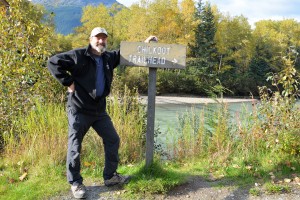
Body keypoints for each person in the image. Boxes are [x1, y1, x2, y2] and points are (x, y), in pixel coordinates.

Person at [47, 27, 157, 199]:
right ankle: (75, 182)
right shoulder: (78, 55)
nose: (101, 41)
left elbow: (124, 53)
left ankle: (110, 176)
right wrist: (68, 82)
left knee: (112, 139)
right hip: (79, 109)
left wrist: (144, 43)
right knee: (75, 146)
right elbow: (53, 62)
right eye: (98, 38)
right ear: (90, 39)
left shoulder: (108, 57)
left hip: (99, 110)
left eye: (104, 38)